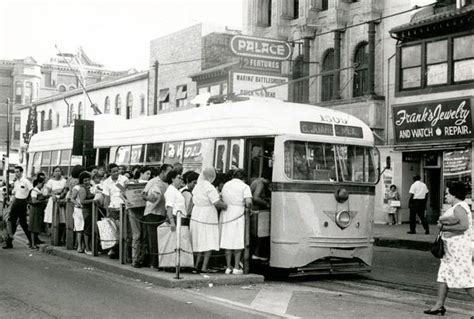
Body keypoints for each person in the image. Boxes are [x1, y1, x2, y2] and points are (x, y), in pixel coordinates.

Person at [424, 181, 474, 316]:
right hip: (451, 251)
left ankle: (439, 305)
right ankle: (439, 305)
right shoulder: (459, 206)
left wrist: (444, 227)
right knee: (443, 276)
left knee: (465, 279)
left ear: (454, 194)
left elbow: (464, 226)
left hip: (459, 251)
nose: (446, 196)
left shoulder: (459, 207)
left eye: (447, 194)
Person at [190, 167, 227, 273]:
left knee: (199, 239)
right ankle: (204, 267)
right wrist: (227, 206)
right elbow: (216, 203)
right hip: (207, 214)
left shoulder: (197, 186)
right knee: (209, 239)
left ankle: (196, 265)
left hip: (197, 213)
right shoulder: (209, 187)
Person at [220, 169, 252, 275]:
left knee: (227, 240)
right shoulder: (245, 186)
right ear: (243, 177)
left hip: (226, 213)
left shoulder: (226, 185)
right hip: (238, 213)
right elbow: (248, 202)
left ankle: (228, 266)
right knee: (238, 241)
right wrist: (249, 208)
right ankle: (237, 266)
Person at [142, 164, 172, 269]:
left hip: (163, 213)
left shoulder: (168, 183)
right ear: (163, 171)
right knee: (152, 239)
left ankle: (160, 261)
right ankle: (153, 262)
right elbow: (143, 195)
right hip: (152, 213)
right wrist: (153, 199)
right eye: (169, 171)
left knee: (161, 239)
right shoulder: (153, 181)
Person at [102, 163, 129, 258]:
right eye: (113, 172)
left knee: (124, 230)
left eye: (117, 171)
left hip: (124, 207)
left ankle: (124, 252)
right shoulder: (106, 183)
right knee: (114, 230)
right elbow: (106, 197)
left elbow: (126, 191)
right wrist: (107, 211)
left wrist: (119, 186)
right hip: (113, 207)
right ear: (109, 172)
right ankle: (114, 250)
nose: (116, 173)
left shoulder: (124, 179)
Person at [3, 166, 33, 249]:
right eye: (15, 172)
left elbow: (31, 190)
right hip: (16, 203)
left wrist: (28, 200)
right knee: (11, 222)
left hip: (22, 203)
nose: (16, 173)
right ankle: (9, 242)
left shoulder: (26, 181)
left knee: (23, 223)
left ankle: (31, 241)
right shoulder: (16, 182)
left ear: (21, 172)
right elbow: (15, 193)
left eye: (17, 172)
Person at [127, 166, 151, 268]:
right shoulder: (131, 182)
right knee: (137, 235)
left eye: (150, 174)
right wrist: (127, 200)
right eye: (147, 173)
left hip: (144, 210)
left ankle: (141, 258)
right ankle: (134, 259)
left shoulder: (150, 184)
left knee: (144, 236)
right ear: (141, 173)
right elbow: (121, 191)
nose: (149, 176)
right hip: (133, 211)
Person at [250, 176, 271, 261]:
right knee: (261, 233)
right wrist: (266, 203)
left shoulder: (255, 181)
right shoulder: (261, 183)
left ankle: (255, 253)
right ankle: (257, 253)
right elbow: (255, 197)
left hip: (254, 210)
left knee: (257, 234)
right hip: (258, 211)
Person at [43, 166, 67, 240]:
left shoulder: (64, 181)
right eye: (56, 171)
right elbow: (47, 192)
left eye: (59, 171)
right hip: (53, 201)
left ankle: (61, 237)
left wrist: (61, 193)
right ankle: (53, 236)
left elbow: (65, 190)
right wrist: (53, 194)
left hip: (61, 200)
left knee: (62, 220)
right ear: (53, 173)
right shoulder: (50, 181)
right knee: (52, 219)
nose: (57, 172)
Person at [75, 171, 95, 255]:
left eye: (88, 180)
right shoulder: (82, 189)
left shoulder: (89, 187)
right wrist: (93, 200)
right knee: (87, 229)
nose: (87, 182)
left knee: (89, 228)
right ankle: (87, 248)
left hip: (90, 209)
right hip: (86, 210)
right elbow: (83, 201)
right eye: (85, 180)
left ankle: (89, 247)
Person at [28, 177, 49, 249]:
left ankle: (34, 243)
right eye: (42, 183)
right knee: (33, 227)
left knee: (36, 226)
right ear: (38, 183)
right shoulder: (34, 191)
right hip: (34, 210)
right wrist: (43, 201)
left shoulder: (39, 191)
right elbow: (34, 201)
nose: (43, 185)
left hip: (38, 210)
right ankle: (33, 244)